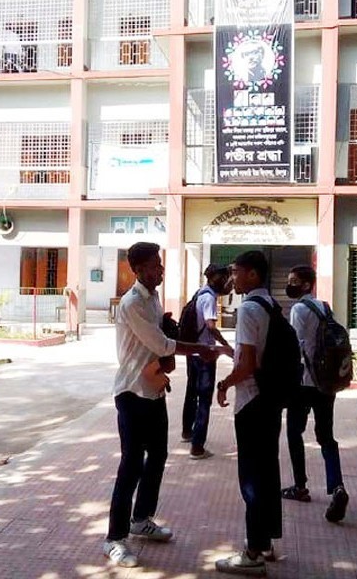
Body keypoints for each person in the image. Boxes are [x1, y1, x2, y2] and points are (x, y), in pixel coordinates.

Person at [104, 242, 230, 568]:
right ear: (137, 269)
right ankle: (114, 539)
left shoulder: (153, 297)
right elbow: (161, 344)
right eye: (153, 265)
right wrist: (199, 349)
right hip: (132, 393)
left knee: (157, 457)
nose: (159, 269)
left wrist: (169, 330)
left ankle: (141, 519)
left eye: (159, 263)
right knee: (131, 464)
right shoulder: (132, 303)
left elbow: (160, 338)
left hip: (154, 390)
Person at [214, 250, 283, 576]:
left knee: (252, 478)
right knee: (268, 473)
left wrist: (224, 384)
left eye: (236, 272)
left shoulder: (249, 310)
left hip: (253, 401)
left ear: (252, 275)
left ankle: (253, 553)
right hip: (270, 400)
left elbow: (246, 365)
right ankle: (266, 542)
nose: (232, 278)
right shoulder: (271, 305)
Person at [281, 265, 350, 523]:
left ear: (307, 285)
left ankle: (300, 486)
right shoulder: (325, 307)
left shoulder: (299, 309)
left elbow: (296, 346)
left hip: (303, 383)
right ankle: (337, 486)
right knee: (326, 437)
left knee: (294, 432)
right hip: (326, 383)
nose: (290, 285)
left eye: (294, 281)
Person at [181, 264, 234, 460]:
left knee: (191, 392)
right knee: (204, 399)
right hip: (205, 355)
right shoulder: (209, 298)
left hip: (192, 351)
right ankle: (197, 447)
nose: (229, 283)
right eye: (226, 278)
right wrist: (226, 346)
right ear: (216, 278)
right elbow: (211, 327)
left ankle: (187, 432)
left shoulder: (198, 293)